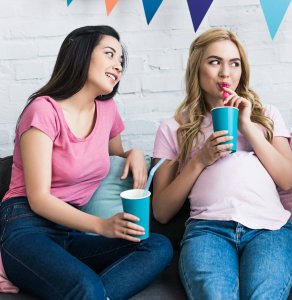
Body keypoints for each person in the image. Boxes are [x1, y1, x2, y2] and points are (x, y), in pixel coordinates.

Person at [0, 25, 172, 299]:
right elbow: (39, 199)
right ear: (81, 54)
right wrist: (100, 225)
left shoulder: (106, 110)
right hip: (26, 226)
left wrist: (135, 153)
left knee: (156, 245)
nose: (118, 66)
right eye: (109, 54)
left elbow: (117, 153)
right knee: (84, 286)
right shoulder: (43, 110)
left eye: (121, 61)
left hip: (69, 231)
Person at [152, 28, 292, 299]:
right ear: (197, 67)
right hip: (208, 230)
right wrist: (199, 160)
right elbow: (161, 211)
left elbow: (288, 181)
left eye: (234, 63)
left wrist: (247, 125)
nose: (225, 73)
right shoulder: (174, 127)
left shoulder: (267, 115)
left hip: (269, 230)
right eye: (214, 61)